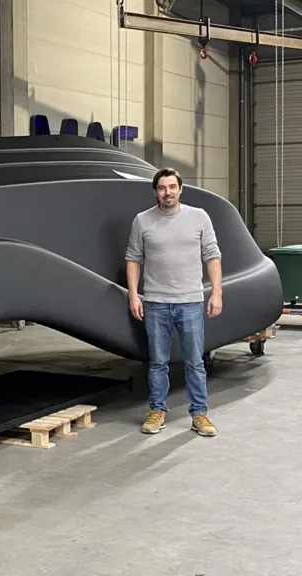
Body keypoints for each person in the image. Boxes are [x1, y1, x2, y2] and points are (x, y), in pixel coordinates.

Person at [124, 167, 223, 437]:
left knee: (194, 362)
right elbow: (133, 259)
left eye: (172, 187)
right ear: (155, 192)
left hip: (190, 302)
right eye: (161, 188)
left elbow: (212, 255)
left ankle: (199, 413)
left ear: (180, 189)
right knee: (157, 362)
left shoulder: (199, 217)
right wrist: (134, 295)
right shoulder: (142, 221)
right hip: (155, 303)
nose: (167, 192)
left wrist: (217, 293)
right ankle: (157, 410)